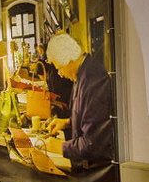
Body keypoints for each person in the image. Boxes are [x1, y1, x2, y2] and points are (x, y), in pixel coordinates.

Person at [44, 33, 114, 171]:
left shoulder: (93, 80)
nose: (60, 74)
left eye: (59, 68)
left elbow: (92, 143)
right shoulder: (82, 73)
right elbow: (89, 116)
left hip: (95, 171)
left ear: (69, 60)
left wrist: (60, 147)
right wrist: (67, 122)